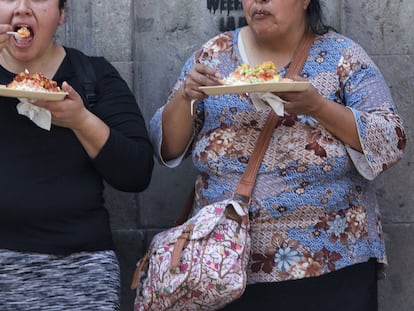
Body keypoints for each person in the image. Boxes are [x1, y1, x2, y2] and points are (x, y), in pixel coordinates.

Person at [149, 0, 406, 310]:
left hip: (331, 262)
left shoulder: (342, 56)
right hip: (225, 266)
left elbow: (390, 138)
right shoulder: (214, 54)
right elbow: (169, 148)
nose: (259, 1)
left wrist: (318, 107)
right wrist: (185, 96)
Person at [0, 0, 153, 310]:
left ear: (62, 14)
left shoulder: (91, 75)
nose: (22, 8)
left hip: (82, 269)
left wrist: (80, 120)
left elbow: (137, 172)